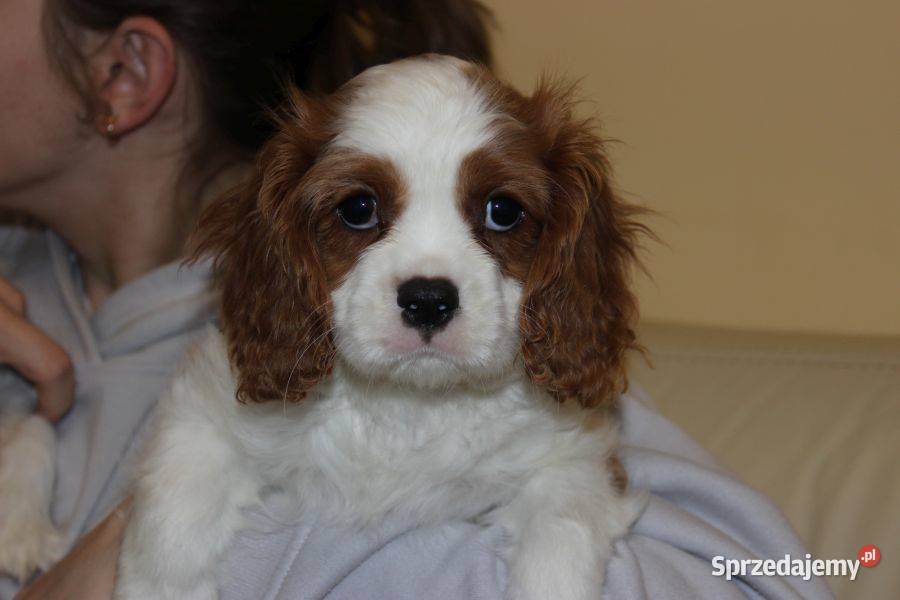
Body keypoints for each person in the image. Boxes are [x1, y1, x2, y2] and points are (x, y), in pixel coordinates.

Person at [0, 1, 832, 598]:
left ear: (126, 70)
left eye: (502, 214)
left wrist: (162, 551)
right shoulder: (38, 294)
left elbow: (790, 580)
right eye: (359, 212)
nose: (429, 277)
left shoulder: (514, 384)